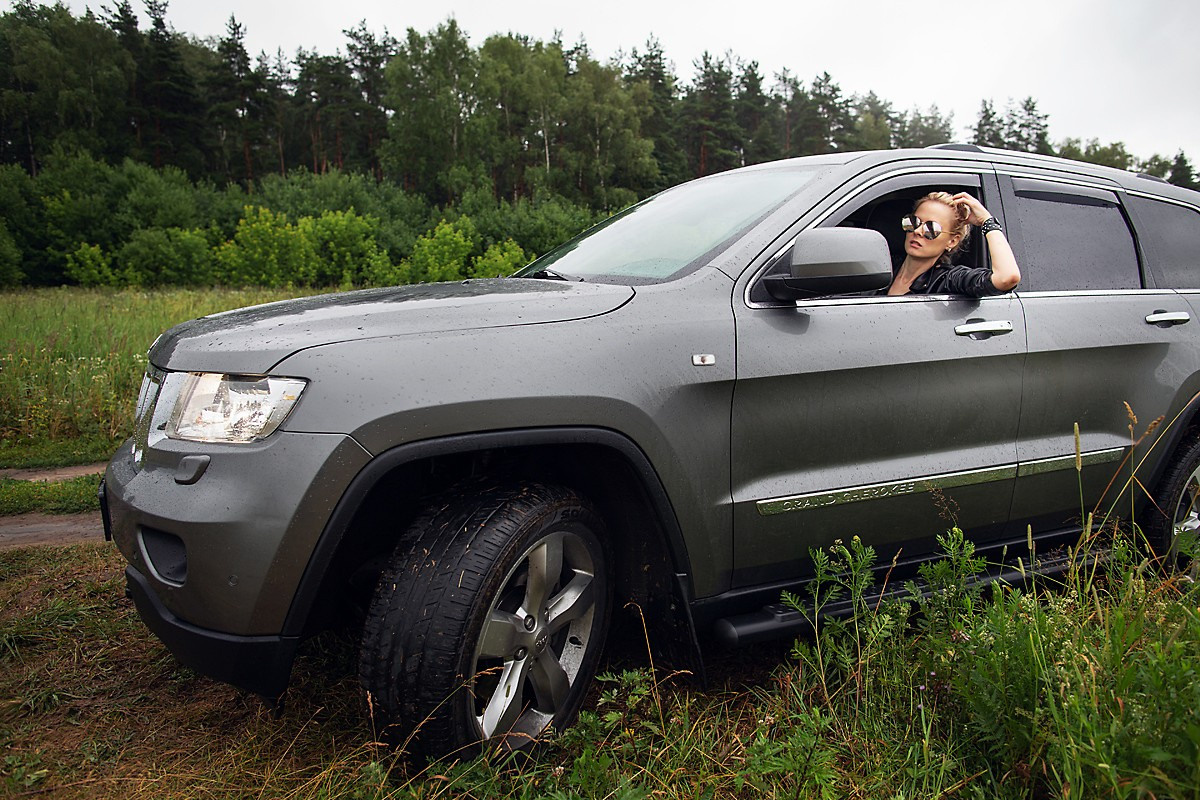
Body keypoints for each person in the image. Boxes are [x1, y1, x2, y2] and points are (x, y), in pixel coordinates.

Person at [885, 191, 1021, 297]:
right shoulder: (885, 266)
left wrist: (987, 222)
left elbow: (1007, 277)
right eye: (914, 222)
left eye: (931, 228)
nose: (917, 231)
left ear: (952, 241)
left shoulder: (948, 280)